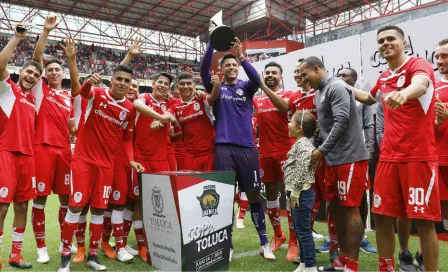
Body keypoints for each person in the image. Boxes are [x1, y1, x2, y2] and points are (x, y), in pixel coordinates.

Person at [352, 26, 439, 272]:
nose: (386, 43)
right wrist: (343, 87)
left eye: (391, 39)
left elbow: (421, 85)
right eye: (381, 41)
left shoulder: (418, 65)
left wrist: (404, 94)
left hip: (417, 157)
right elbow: (369, 98)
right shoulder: (384, 77)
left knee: (423, 222)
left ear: (403, 42)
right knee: (381, 217)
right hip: (388, 158)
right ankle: (386, 267)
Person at [57, 65, 145, 272]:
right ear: (111, 80)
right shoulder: (97, 93)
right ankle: (65, 259)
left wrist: (131, 160)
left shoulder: (130, 109)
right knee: (76, 207)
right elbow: (82, 92)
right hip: (83, 161)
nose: (123, 83)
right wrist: (88, 81)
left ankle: (93, 256)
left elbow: (126, 138)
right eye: (119, 79)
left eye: (127, 81)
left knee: (98, 209)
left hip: (106, 165)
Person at [200, 35, 275, 260]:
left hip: (247, 149)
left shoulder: (247, 87)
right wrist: (212, 43)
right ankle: (227, 244)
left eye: (234, 65)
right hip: (223, 148)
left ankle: (264, 242)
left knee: (253, 196)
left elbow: (257, 78)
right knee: (223, 197)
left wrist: (242, 57)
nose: (231, 68)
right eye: (227, 65)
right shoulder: (217, 87)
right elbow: (204, 69)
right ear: (222, 69)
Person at [299, 56, 370, 271]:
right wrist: (316, 145)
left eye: (305, 74)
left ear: (317, 68)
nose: (303, 78)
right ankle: (343, 260)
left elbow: (342, 121)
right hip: (332, 160)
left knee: (350, 210)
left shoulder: (336, 86)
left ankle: (353, 264)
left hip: (349, 157)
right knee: (336, 209)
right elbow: (326, 126)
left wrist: (321, 150)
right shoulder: (319, 92)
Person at [31, 17, 79, 263]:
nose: (52, 72)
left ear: (62, 73)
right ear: (45, 74)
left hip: (64, 152)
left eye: (56, 70)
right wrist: (46, 31)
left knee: (65, 200)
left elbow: (73, 128)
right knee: (39, 200)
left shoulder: (70, 98)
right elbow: (38, 55)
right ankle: (41, 247)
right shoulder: (40, 90)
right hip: (41, 149)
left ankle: (64, 243)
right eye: (49, 70)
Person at [0, 22, 42, 269]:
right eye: (29, 72)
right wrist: (16, 38)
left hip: (28, 157)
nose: (32, 77)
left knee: (22, 205)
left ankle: (15, 255)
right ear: (20, 71)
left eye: (36, 75)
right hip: (6, 154)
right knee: (2, 206)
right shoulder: (8, 90)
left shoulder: (32, 98)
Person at [255, 61, 298, 261]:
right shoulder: (258, 100)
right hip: (265, 154)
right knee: (271, 194)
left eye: (274, 72)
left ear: (281, 77)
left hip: (286, 152)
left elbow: (284, 108)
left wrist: (263, 88)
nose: (270, 75)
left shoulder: (289, 94)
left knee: (290, 196)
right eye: (267, 72)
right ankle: (278, 234)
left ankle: (293, 241)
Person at [337, 67, 377, 254]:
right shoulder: (332, 97)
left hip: (357, 156)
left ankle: (361, 237)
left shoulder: (362, 100)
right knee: (334, 200)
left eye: (345, 75)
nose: (341, 78)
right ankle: (334, 238)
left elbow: (369, 126)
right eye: (339, 75)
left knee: (361, 198)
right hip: (335, 156)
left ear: (354, 80)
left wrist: (368, 150)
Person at [284, 110, 318, 272]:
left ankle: (310, 266)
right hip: (297, 193)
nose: (288, 124)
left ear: (299, 128)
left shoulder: (304, 144)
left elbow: (303, 168)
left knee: (304, 232)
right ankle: (304, 263)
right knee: (299, 231)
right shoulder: (300, 143)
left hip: (302, 194)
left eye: (291, 122)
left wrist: (295, 192)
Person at [166, 72, 218, 171]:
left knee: (210, 185)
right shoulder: (175, 107)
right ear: (177, 86)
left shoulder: (201, 98)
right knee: (191, 185)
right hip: (190, 155)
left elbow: (213, 98)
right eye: (182, 84)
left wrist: (216, 86)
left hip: (210, 153)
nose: (185, 86)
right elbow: (166, 115)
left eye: (189, 83)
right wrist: (158, 119)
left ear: (194, 86)